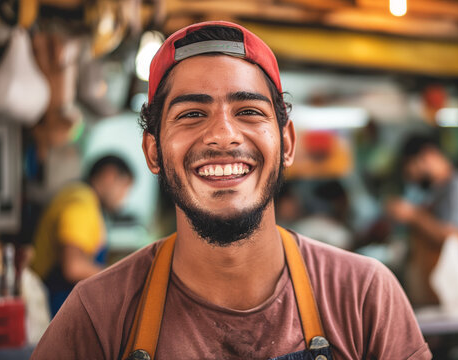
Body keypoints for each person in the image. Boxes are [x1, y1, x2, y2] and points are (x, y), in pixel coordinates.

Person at [32, 21, 431, 359]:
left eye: (249, 111)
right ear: (153, 152)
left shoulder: (363, 298)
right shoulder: (97, 314)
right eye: (191, 114)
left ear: (287, 143)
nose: (223, 135)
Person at [387, 133, 458, 306]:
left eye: (410, 166)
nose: (411, 177)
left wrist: (413, 215)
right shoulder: (437, 192)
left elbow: (456, 237)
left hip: (456, 287)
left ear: (428, 155)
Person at [31, 155, 133, 316]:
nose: (124, 198)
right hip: (55, 307)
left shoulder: (78, 194)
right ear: (110, 175)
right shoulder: (82, 203)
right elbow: (73, 267)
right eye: (125, 187)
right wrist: (124, 278)